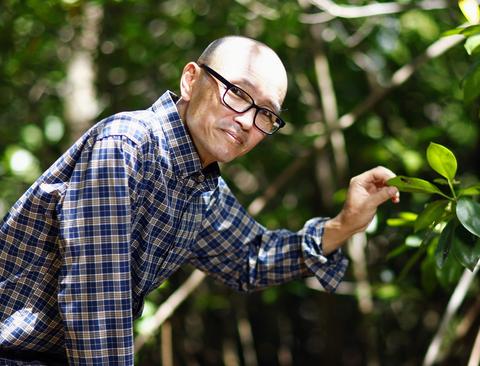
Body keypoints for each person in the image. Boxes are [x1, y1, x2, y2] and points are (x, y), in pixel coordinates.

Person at [0, 35, 399, 364]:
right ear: (191, 79)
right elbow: (96, 302)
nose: (247, 120)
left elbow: (250, 259)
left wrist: (345, 223)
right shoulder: (126, 144)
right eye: (238, 93)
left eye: (266, 114)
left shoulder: (201, 187)